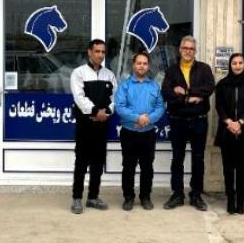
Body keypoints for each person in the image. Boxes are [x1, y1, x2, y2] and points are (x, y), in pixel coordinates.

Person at [161, 36, 216, 210]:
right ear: (180, 50)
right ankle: (177, 194)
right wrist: (188, 99)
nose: (188, 51)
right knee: (177, 158)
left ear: (195, 51)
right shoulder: (172, 70)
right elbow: (167, 93)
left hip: (199, 121)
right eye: (185, 48)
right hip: (178, 121)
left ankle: (196, 195)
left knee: (198, 159)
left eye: (191, 49)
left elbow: (209, 88)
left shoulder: (204, 69)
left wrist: (186, 91)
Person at [114, 50, 166, 210]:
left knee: (147, 167)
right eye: (139, 63)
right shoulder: (125, 86)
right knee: (128, 167)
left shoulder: (154, 86)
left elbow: (160, 106)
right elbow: (120, 107)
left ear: (148, 66)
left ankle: (145, 197)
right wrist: (137, 118)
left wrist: (147, 120)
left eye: (145, 63)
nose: (142, 66)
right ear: (133, 65)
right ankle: (128, 197)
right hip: (129, 133)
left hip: (148, 133)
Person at [69, 39, 116, 214]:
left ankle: (93, 197)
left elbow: (116, 98)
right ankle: (76, 198)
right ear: (89, 52)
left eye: (103, 52)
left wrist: (107, 111)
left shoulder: (109, 75)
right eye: (97, 51)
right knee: (81, 162)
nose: (100, 55)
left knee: (98, 162)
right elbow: (79, 97)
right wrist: (96, 111)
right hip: (85, 125)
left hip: (102, 126)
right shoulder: (79, 73)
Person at [214, 53, 244, 214]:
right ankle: (230, 200)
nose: (237, 66)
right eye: (234, 63)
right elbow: (219, 106)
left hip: (243, 131)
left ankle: (240, 202)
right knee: (228, 169)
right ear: (230, 66)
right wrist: (229, 122)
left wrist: (240, 122)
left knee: (241, 169)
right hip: (227, 131)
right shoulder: (222, 84)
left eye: (240, 63)